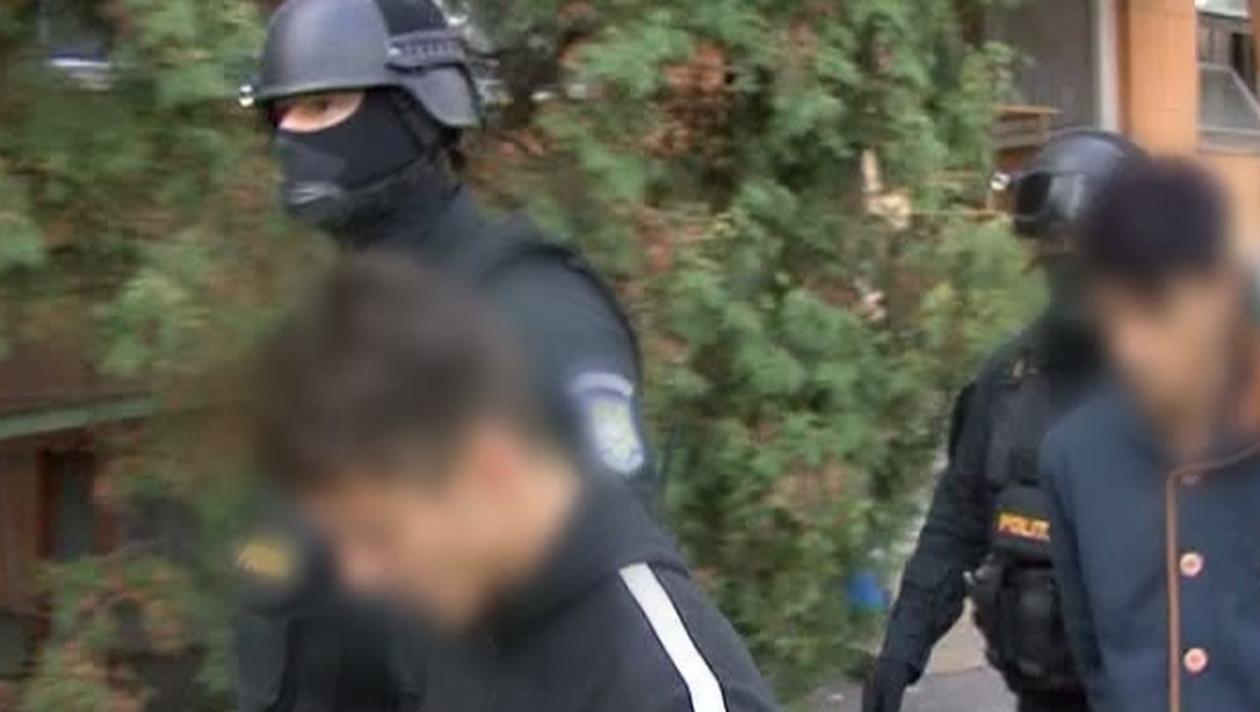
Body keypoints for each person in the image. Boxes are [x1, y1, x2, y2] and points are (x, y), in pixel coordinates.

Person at [233, 2, 657, 710]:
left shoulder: (530, 316)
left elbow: (616, 615)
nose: (291, 136)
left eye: (323, 105)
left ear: (417, 109)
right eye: (280, 114)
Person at [249, 253, 781, 712]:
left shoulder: (668, 691)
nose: (360, 575)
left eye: (380, 532)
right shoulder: (449, 607)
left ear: (489, 468)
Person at [862, 130, 1147, 712]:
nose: (1067, 265)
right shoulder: (1012, 380)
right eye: (1052, 249)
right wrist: (901, 650)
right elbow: (956, 522)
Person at [1042, 160, 1260, 712]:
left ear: (1221, 294)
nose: (1133, 346)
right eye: (1115, 314)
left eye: (1156, 307)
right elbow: (1094, 660)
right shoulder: (1074, 457)